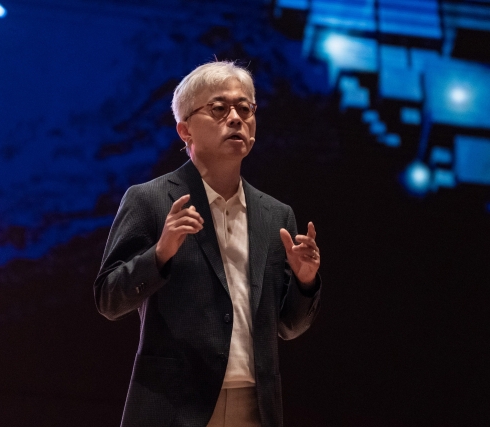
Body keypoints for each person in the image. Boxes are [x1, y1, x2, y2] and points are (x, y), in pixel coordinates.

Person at [94, 61, 322, 427]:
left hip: (256, 406)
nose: (236, 118)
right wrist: (161, 253)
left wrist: (306, 281)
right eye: (219, 108)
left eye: (245, 108)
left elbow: (289, 326)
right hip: (174, 404)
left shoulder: (276, 215)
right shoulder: (149, 200)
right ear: (185, 130)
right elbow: (108, 298)